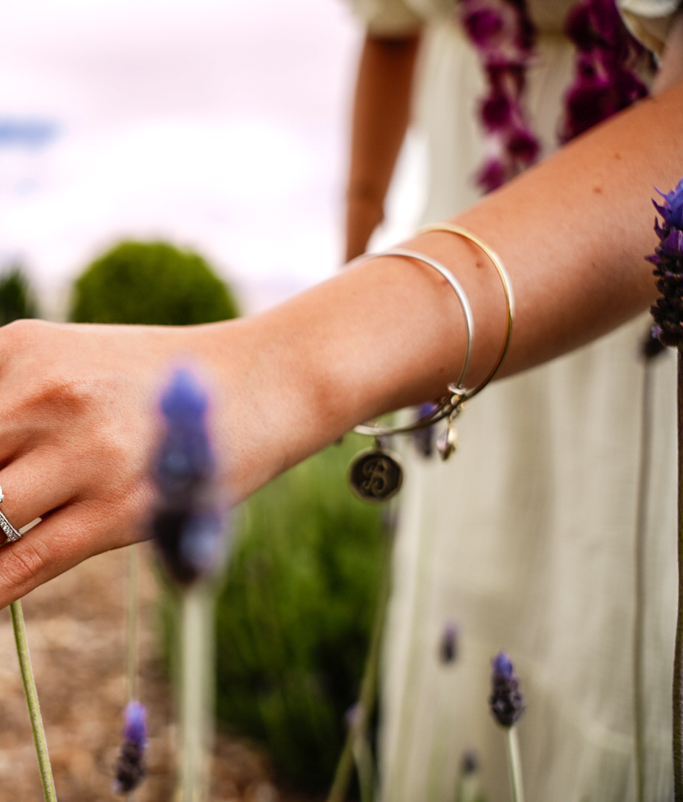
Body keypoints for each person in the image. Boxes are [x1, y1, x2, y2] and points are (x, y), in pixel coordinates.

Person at [0, 11, 683, 798]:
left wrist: (299, 360)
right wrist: (356, 275)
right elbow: (394, 34)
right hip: (441, 301)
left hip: (626, 316)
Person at [345, 0, 679, 796]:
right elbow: (389, 27)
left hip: (642, 241)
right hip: (466, 208)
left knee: (612, 590)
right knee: (464, 568)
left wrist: (305, 363)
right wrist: (356, 255)